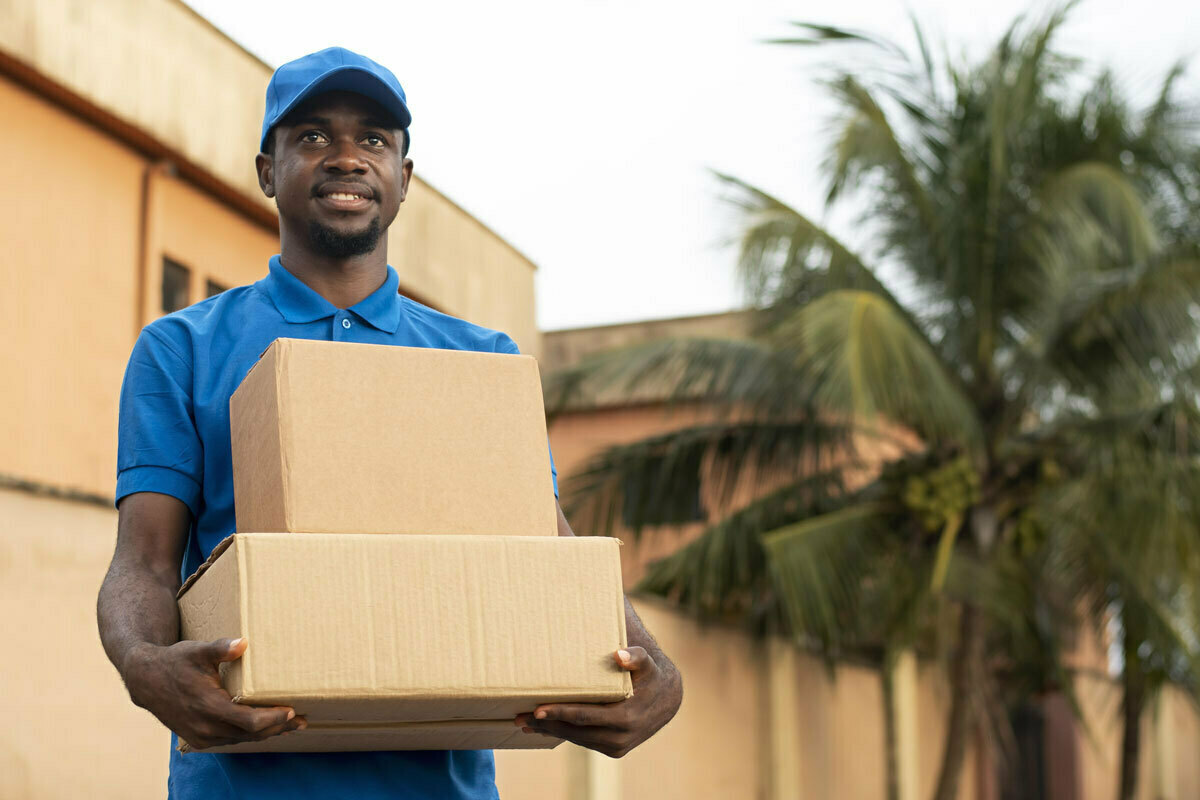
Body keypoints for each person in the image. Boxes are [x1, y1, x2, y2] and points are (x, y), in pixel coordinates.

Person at [96, 47, 683, 799]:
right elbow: (142, 560)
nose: (346, 157)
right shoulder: (182, 349)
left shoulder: (480, 360)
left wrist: (654, 666)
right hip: (239, 785)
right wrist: (140, 662)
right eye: (311, 137)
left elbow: (548, 544)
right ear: (267, 171)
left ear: (404, 179)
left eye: (373, 139)